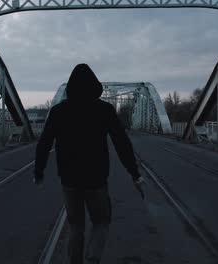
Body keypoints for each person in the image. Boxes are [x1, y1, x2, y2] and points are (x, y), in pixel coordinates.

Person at [34, 63, 145, 264]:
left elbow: (44, 142)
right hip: (96, 179)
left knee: (75, 225)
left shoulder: (59, 111)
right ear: (95, 86)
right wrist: (134, 173)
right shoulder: (104, 109)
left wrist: (39, 172)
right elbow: (121, 143)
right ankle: (93, 258)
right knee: (101, 222)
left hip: (69, 179)